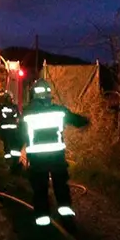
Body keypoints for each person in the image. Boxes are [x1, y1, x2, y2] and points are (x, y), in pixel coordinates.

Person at [18, 78, 89, 227]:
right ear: (50, 94)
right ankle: (66, 216)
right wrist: (86, 121)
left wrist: (14, 158)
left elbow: (19, 135)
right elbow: (77, 120)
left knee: (40, 188)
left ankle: (43, 221)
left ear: (33, 95)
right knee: (61, 186)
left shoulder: (27, 113)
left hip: (37, 159)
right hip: (57, 158)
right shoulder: (59, 111)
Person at [0, 92, 22, 170]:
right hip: (13, 130)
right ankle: (13, 162)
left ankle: (8, 161)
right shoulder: (14, 107)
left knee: (7, 146)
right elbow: (18, 117)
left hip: (5, 130)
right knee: (13, 145)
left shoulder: (2, 107)